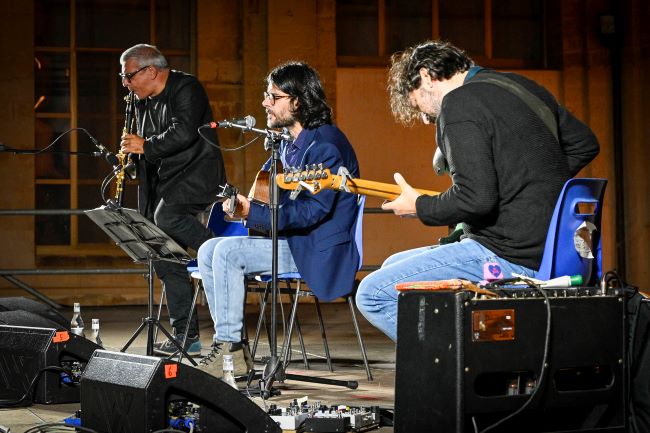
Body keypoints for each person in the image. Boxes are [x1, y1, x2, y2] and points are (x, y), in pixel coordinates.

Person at [355, 40, 600, 341]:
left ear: (427, 76)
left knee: (372, 293)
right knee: (394, 266)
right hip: (556, 248)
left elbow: (475, 199)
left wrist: (419, 206)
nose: (422, 118)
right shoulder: (519, 85)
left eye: (417, 102)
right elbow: (585, 143)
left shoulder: (458, 104)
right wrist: (529, 182)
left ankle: (451, 368)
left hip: (513, 253)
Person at [196, 61, 361, 377]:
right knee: (208, 249)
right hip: (294, 240)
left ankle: (229, 352)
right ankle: (232, 346)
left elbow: (313, 211)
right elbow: (278, 199)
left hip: (317, 248)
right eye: (265, 94)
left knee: (228, 253)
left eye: (273, 96)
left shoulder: (325, 145)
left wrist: (252, 212)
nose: (264, 103)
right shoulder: (289, 144)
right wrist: (245, 208)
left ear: (297, 101)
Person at [119, 44, 226, 355]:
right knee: (159, 250)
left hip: (198, 175)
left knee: (166, 219)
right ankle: (186, 334)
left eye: (128, 76)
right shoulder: (141, 101)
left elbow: (184, 133)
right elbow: (145, 145)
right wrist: (130, 158)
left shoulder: (187, 88)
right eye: (122, 77)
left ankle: (224, 252)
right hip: (165, 182)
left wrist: (144, 146)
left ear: (150, 71)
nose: (125, 83)